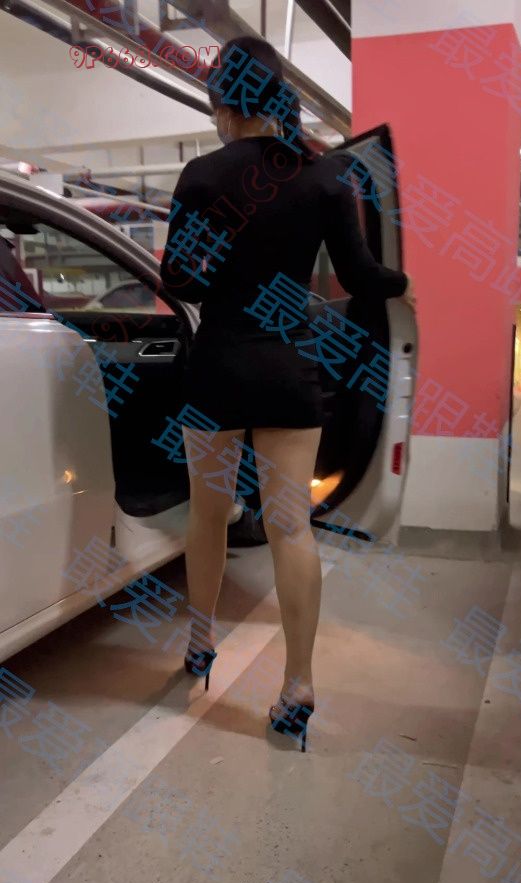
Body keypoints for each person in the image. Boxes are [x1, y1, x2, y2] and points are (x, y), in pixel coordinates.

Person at [160, 35, 415, 752]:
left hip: (217, 370)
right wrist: (405, 285)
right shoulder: (324, 176)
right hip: (287, 369)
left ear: (222, 101)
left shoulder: (201, 175)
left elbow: (179, 281)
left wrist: (219, 255)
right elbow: (361, 278)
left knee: (208, 516)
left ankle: (201, 643)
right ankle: (298, 684)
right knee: (291, 528)